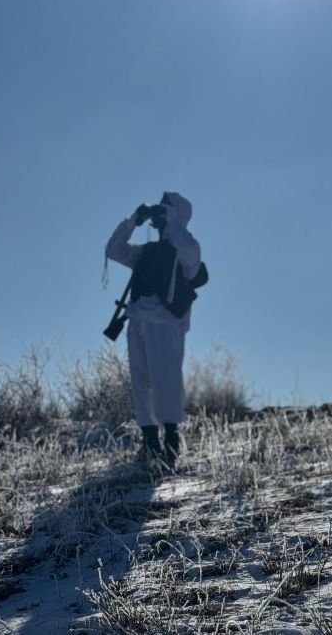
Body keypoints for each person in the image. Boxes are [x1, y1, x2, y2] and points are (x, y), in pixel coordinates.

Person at [105, 192, 205, 469]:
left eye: (166, 210)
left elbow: (187, 249)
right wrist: (134, 220)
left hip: (166, 325)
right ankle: (150, 440)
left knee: (166, 380)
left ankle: (172, 440)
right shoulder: (147, 252)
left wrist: (172, 222)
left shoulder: (187, 249)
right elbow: (114, 250)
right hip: (137, 321)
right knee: (141, 382)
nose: (160, 218)